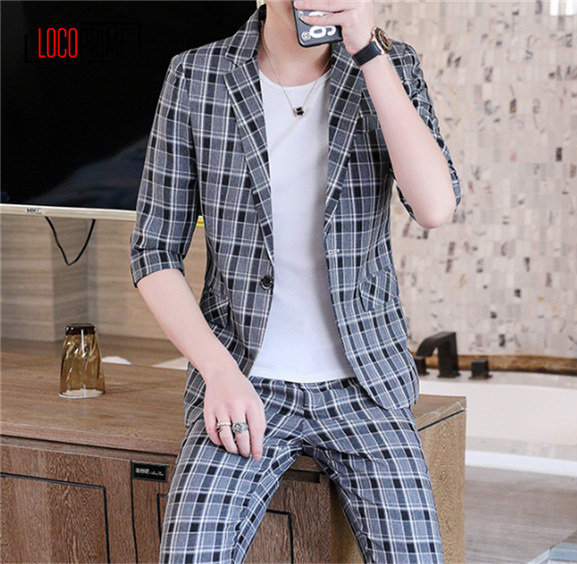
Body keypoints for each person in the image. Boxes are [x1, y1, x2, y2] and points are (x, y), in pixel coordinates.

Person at [130, 0, 461, 562]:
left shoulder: (391, 65)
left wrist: (369, 53)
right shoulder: (197, 75)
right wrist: (218, 371)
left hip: (367, 387)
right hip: (244, 378)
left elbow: (434, 207)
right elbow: (153, 250)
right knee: (191, 550)